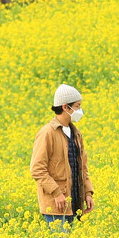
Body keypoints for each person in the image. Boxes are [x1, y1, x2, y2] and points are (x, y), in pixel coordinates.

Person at [31, 84, 93, 229]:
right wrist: (57, 193)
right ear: (66, 107)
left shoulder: (76, 134)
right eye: (77, 106)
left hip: (75, 202)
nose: (79, 110)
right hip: (56, 204)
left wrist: (88, 193)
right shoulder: (47, 133)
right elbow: (37, 169)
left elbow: (82, 167)